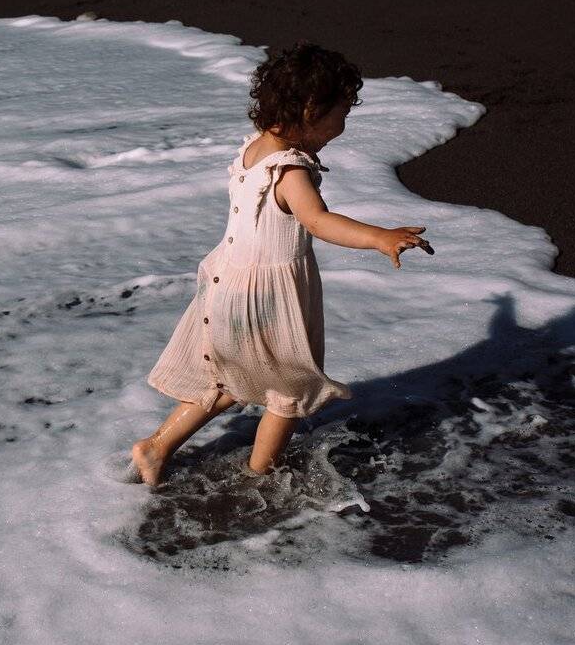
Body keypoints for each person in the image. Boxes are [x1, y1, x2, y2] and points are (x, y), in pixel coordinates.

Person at [132, 43, 433, 487]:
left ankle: (156, 447)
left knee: (227, 379)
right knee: (289, 391)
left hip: (225, 288)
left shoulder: (253, 151)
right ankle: (260, 478)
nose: (342, 126)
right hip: (267, 299)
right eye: (341, 115)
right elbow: (318, 221)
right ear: (310, 112)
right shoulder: (290, 170)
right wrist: (379, 237)